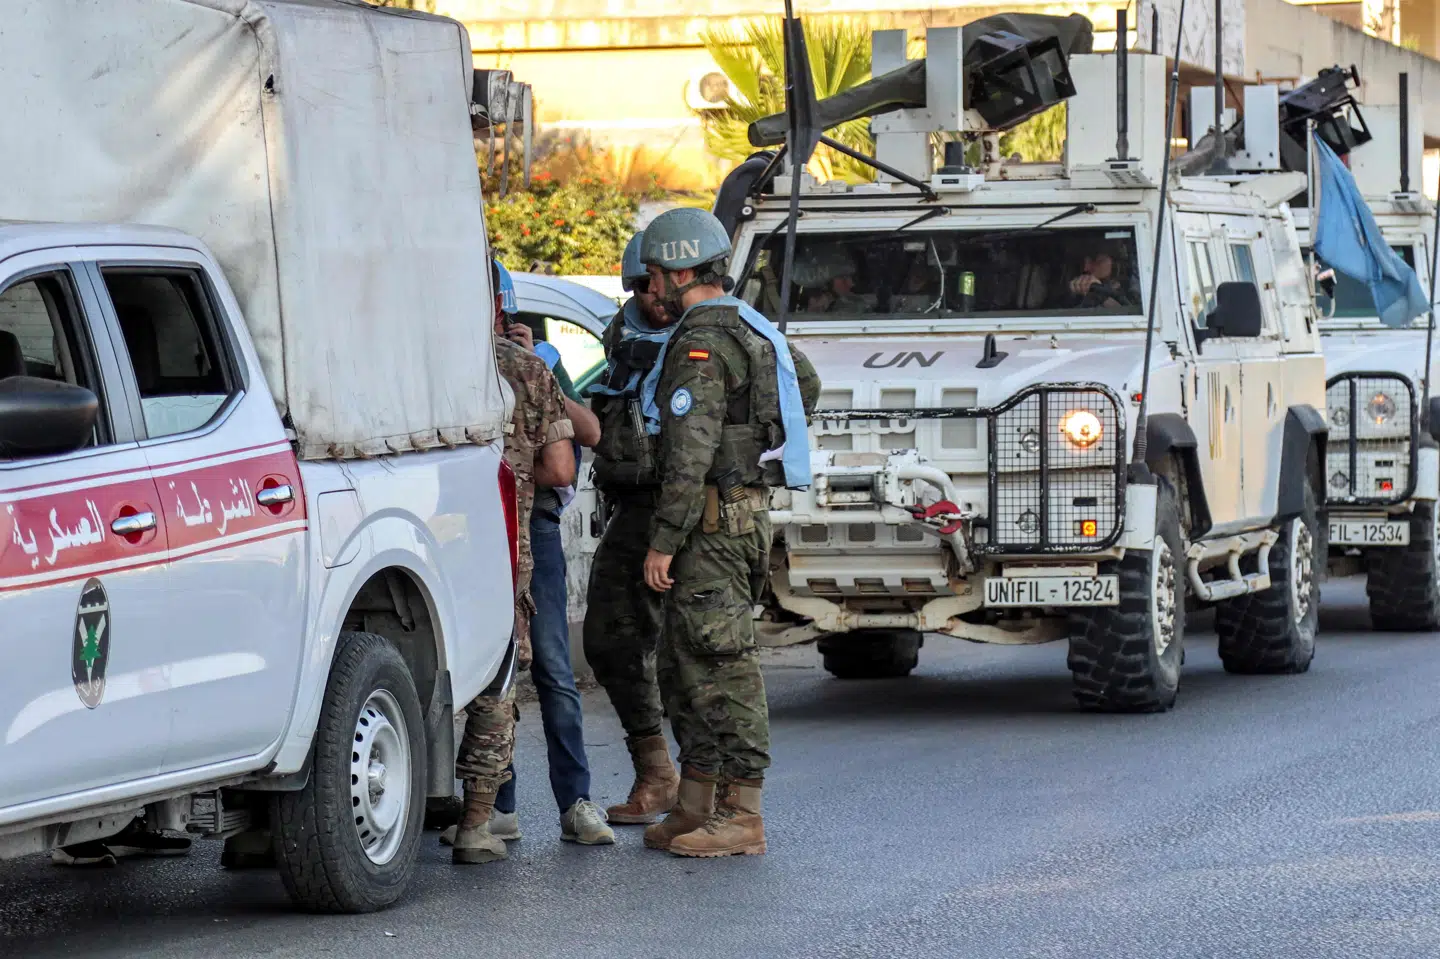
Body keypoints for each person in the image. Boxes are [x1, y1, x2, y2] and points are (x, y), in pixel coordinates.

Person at [634, 208, 819, 858]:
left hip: (709, 524)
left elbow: (690, 450)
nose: (649, 288)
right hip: (733, 515)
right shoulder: (753, 328)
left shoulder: (701, 343)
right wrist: (758, 441)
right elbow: (808, 383)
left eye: (655, 276)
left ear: (682, 272)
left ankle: (742, 813)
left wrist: (663, 538)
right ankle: (695, 803)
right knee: (688, 663)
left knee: (722, 665)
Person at [451, 260, 596, 864]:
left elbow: (588, 429)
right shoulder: (523, 368)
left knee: (486, 666)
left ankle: (495, 809)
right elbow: (565, 466)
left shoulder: (432, 367)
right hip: (523, 529)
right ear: (502, 306)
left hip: (449, 529)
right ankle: (573, 806)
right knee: (546, 670)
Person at [582, 231, 684, 825]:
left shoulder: (718, 333)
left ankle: (712, 789)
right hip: (635, 506)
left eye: (662, 281)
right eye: (642, 284)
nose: (653, 295)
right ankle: (656, 771)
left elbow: (796, 388)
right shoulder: (625, 336)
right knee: (609, 639)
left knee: (694, 652)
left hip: (696, 507)